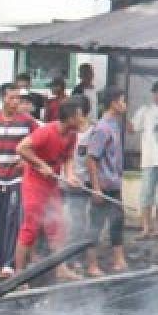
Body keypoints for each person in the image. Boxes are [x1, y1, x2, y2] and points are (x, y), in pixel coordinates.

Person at [14, 96, 88, 279]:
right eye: (80, 115)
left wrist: (70, 175)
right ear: (70, 117)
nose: (83, 119)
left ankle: (61, 269)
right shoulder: (46, 131)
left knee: (57, 226)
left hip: (51, 185)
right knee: (29, 228)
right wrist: (40, 164)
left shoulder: (72, 135)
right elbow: (21, 148)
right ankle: (18, 276)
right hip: (33, 184)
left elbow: (68, 157)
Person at [0, 82, 41, 277]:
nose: (15, 102)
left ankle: (9, 262)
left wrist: (27, 160)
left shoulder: (27, 121)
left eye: (18, 98)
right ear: (3, 98)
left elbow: (40, 139)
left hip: (17, 177)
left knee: (13, 218)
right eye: (11, 98)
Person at [85, 87, 128, 275]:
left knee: (117, 221)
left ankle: (119, 260)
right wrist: (95, 188)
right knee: (95, 225)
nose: (125, 104)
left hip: (113, 183)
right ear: (114, 102)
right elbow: (91, 157)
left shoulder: (115, 125)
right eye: (122, 100)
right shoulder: (102, 128)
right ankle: (92, 265)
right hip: (102, 185)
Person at [132, 80, 158, 239]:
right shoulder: (145, 110)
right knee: (146, 195)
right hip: (150, 159)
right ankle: (145, 228)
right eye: (156, 92)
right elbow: (132, 129)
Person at [63, 96, 94, 266]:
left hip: (86, 184)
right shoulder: (67, 132)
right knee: (71, 221)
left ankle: (77, 257)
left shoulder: (93, 132)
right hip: (68, 183)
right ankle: (68, 257)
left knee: (83, 222)